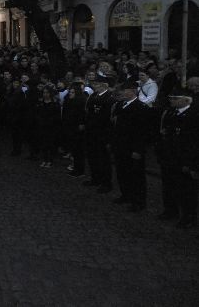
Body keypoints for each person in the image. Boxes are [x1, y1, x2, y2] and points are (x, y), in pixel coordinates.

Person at [156, 88, 199, 228]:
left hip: (183, 159)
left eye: (175, 98)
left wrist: (191, 163)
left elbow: (194, 142)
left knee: (186, 191)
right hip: (169, 157)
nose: (172, 101)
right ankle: (170, 210)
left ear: (186, 100)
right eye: (171, 98)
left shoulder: (193, 116)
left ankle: (189, 217)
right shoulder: (171, 113)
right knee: (168, 187)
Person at [112, 81, 150, 212]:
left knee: (136, 176)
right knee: (122, 173)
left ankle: (139, 201)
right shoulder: (121, 105)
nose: (122, 93)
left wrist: (138, 150)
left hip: (132, 147)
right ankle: (126, 195)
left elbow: (142, 132)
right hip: (120, 146)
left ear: (133, 91)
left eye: (124, 90)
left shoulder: (140, 108)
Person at [84, 78, 114, 193]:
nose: (95, 86)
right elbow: (89, 112)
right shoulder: (94, 96)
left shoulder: (109, 98)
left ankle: (106, 183)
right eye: (95, 84)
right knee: (93, 157)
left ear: (104, 85)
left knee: (104, 160)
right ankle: (95, 178)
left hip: (102, 133)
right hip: (92, 132)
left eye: (97, 84)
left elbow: (107, 119)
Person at [61, 86, 87, 178]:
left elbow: (81, 117)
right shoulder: (71, 102)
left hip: (77, 131)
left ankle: (79, 170)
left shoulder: (80, 104)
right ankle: (76, 169)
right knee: (75, 151)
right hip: (72, 129)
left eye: (72, 93)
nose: (70, 94)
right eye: (70, 92)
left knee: (78, 151)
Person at [35, 87, 61, 168]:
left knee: (50, 144)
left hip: (51, 127)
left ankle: (50, 160)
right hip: (42, 126)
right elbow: (37, 113)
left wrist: (49, 121)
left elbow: (57, 116)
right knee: (43, 144)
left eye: (47, 93)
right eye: (44, 92)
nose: (45, 94)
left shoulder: (55, 104)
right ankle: (45, 159)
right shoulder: (40, 103)